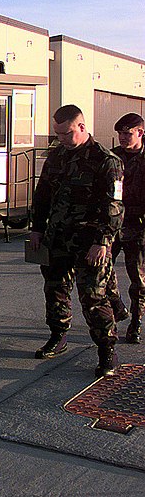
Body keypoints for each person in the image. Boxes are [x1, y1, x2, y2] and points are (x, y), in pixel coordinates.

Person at [29, 105, 124, 377]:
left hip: (89, 242)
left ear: (82, 127)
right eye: (57, 134)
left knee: (93, 297)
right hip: (57, 237)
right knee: (55, 288)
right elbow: (42, 193)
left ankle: (107, 350)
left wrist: (103, 241)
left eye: (66, 133)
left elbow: (114, 206)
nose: (61, 139)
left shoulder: (105, 160)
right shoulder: (56, 156)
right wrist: (36, 228)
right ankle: (58, 336)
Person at [109, 113, 145, 343]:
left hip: (138, 225)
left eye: (128, 133)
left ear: (140, 133)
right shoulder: (113, 157)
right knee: (101, 272)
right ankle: (117, 310)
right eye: (120, 133)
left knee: (138, 279)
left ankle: (136, 321)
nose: (122, 137)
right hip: (113, 224)